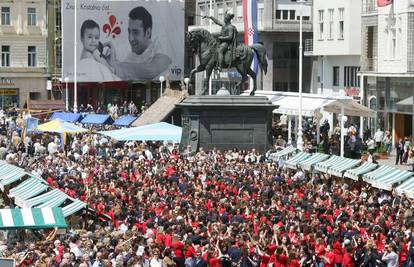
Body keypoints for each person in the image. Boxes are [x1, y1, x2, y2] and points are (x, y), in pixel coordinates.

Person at [109, 6, 172, 80]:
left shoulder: (159, 46)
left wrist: (116, 65)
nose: (131, 38)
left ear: (148, 32)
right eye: (129, 32)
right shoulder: (130, 58)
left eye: (136, 32)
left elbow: (151, 70)